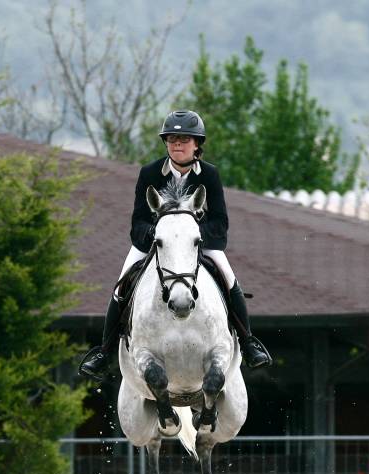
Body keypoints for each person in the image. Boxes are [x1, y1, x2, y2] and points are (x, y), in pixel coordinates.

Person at [79, 109, 272, 382]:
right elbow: (137, 222)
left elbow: (220, 222)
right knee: (121, 286)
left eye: (183, 139)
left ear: (197, 144)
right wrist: (159, 235)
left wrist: (190, 234)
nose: (177, 144)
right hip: (157, 242)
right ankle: (104, 352)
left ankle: (249, 342)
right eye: (172, 139)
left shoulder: (210, 175)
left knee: (230, 281)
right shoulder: (149, 173)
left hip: (198, 243)